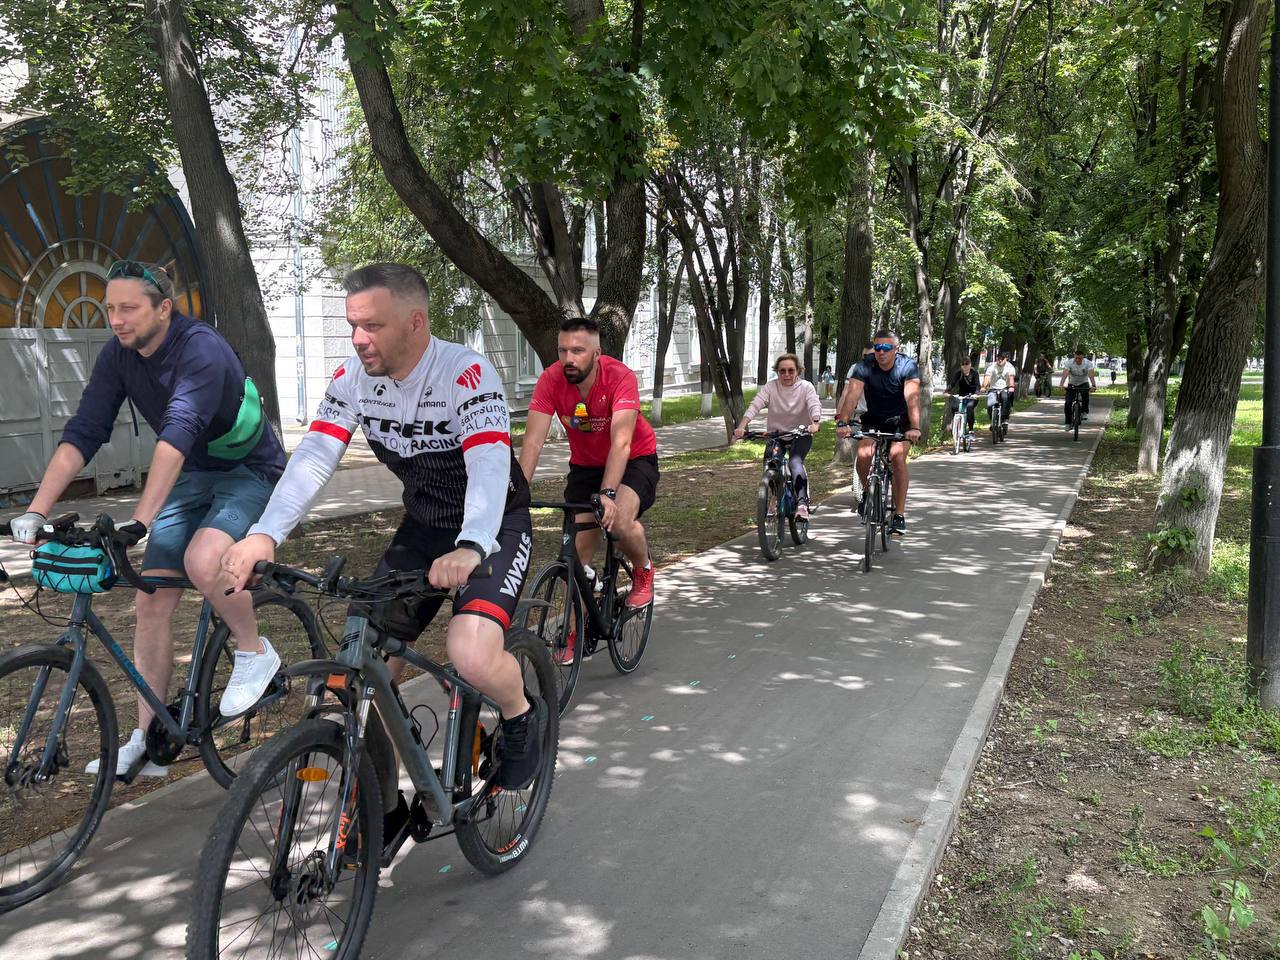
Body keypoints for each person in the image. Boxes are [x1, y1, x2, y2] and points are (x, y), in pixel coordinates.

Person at [221, 262, 543, 794]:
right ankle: (383, 804)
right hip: (423, 527)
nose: (359, 340)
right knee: (356, 670)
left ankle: (518, 713)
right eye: (353, 325)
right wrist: (264, 533)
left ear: (416, 323)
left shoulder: (465, 372)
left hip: (493, 526)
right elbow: (315, 458)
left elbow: (489, 464)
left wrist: (470, 545)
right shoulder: (352, 380)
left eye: (373, 326)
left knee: (470, 651)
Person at [5, 260, 286, 777]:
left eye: (128, 308)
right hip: (193, 474)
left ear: (164, 308)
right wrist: (36, 509)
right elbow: (86, 430)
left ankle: (255, 651)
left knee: (206, 560)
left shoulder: (199, 348)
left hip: (250, 471)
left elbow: (178, 432)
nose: (116, 319)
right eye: (110, 307)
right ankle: (147, 737)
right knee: (150, 601)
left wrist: (139, 520)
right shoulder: (119, 355)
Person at [519, 316, 659, 630]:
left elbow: (621, 444)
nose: (568, 359)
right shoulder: (550, 380)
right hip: (585, 467)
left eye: (578, 351)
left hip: (634, 459)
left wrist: (608, 494)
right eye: (563, 350)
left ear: (596, 354)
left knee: (619, 519)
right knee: (575, 558)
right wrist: (517, 493)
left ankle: (643, 568)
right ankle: (573, 632)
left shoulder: (619, 377)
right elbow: (532, 442)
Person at [834, 329, 922, 535]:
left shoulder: (907, 366)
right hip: (874, 419)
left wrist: (915, 428)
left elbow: (912, 399)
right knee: (864, 454)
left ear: (896, 349)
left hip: (901, 421)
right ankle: (867, 492)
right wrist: (843, 422)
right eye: (877, 348)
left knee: (897, 456)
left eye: (886, 348)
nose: (880, 352)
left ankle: (899, 514)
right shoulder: (865, 366)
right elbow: (852, 396)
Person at [734, 354, 822, 519]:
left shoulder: (806, 387)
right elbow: (756, 404)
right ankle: (775, 496)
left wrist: (815, 422)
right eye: (782, 371)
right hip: (777, 434)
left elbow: (814, 403)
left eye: (791, 370)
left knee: (795, 462)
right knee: (770, 462)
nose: (787, 374)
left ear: (798, 371)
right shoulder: (771, 387)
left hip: (801, 433)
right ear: (777, 372)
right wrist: (741, 426)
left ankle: (802, 504)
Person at [1060, 347, 1098, 430]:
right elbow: (1065, 373)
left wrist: (1094, 385)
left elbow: (1091, 374)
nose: (1077, 360)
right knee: (1068, 403)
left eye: (1079, 358)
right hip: (1072, 384)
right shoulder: (1069, 363)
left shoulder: (1088, 363)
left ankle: (1084, 411)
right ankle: (1068, 423)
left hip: (1083, 383)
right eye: (1076, 358)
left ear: (1083, 358)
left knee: (1085, 394)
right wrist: (1061, 384)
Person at [944, 357, 981, 438]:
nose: (965, 366)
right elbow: (952, 383)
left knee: (969, 407)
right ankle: (954, 423)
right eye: (963, 364)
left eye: (966, 364)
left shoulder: (974, 373)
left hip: (972, 396)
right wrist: (946, 391)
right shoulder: (959, 373)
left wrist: (976, 394)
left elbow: (978, 386)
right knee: (954, 405)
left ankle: (971, 431)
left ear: (970, 364)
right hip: (962, 395)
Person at [982, 350, 1018, 425]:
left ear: (1006, 359)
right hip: (993, 389)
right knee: (990, 404)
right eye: (998, 358)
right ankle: (992, 421)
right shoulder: (992, 367)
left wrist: (1011, 386)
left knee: (1005, 399)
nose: (1000, 360)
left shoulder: (1009, 366)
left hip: (1005, 388)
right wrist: (984, 387)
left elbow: (1011, 377)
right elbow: (987, 377)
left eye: (1002, 358)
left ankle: (1005, 419)